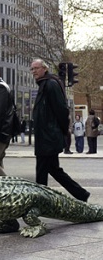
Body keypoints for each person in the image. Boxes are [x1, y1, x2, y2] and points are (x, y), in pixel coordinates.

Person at [31, 58, 90, 201]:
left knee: (42, 170)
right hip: (46, 136)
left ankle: (41, 201)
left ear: (45, 68)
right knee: (53, 169)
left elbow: (62, 110)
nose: (34, 72)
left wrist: (63, 131)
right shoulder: (44, 85)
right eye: (32, 69)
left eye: (36, 68)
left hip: (48, 137)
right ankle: (81, 194)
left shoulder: (50, 85)